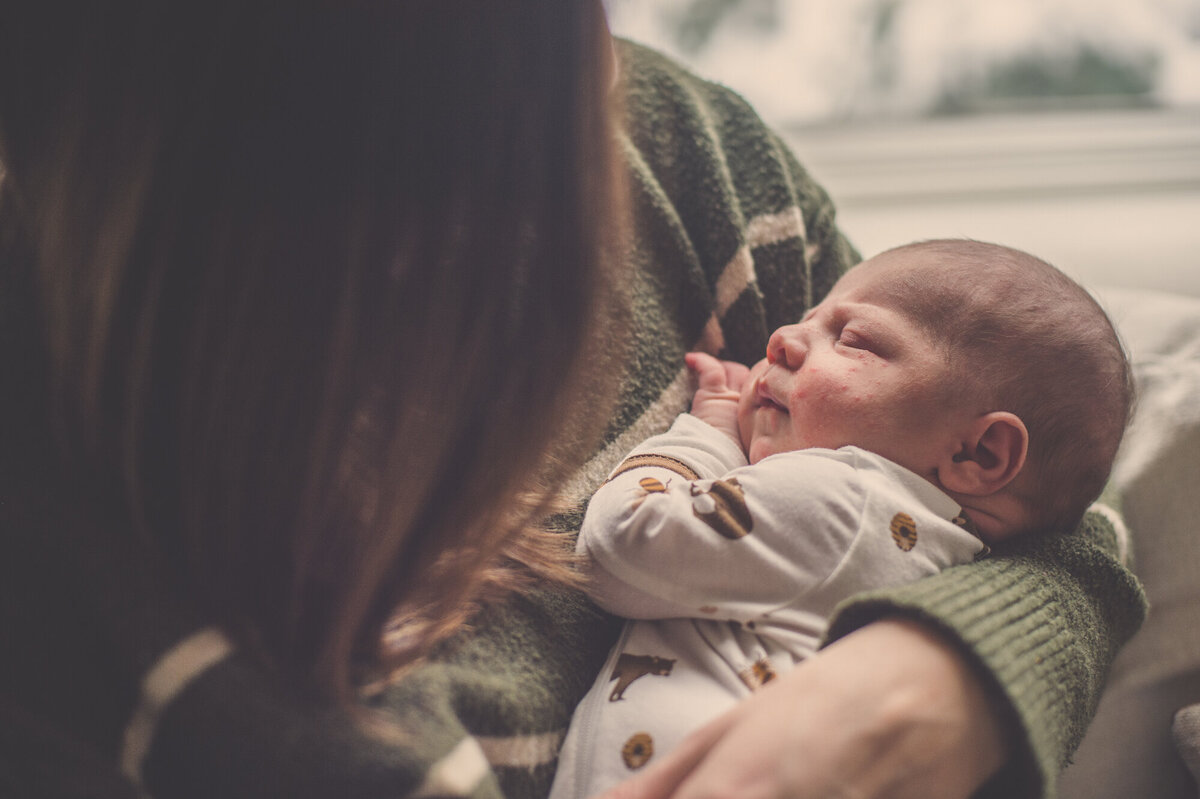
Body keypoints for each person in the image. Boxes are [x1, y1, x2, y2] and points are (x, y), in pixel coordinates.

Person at [0, 4, 1145, 799]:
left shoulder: (694, 170)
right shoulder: (85, 538)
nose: (607, 47)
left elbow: (1046, 515)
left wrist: (930, 691)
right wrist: (704, 437)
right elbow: (636, 541)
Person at [549, 239, 1134, 798]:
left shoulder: (848, 502)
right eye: (808, 317)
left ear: (977, 454)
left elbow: (621, 541)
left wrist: (709, 432)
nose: (782, 339)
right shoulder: (935, 545)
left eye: (854, 339)